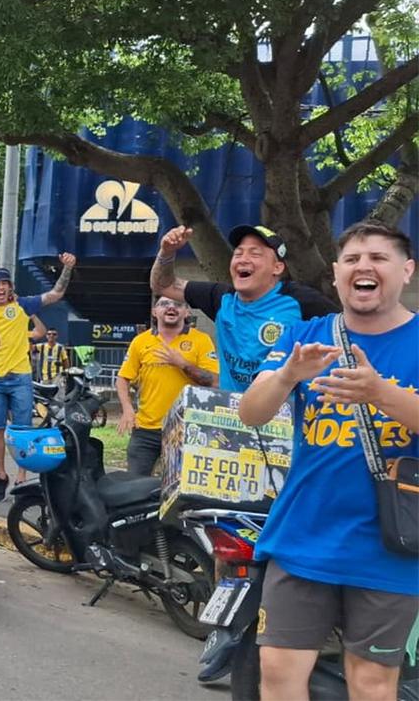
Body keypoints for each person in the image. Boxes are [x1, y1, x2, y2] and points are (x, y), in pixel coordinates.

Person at [238, 221, 419, 700]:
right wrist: (286, 376)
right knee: (276, 673)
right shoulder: (306, 335)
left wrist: (381, 394)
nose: (365, 267)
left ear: (406, 270)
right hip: (303, 536)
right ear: (337, 274)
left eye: (378, 258)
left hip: (391, 546)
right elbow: (251, 411)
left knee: (373, 683)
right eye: (354, 259)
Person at [151, 224, 338, 391]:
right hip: (231, 417)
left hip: (284, 420)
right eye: (238, 253)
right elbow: (163, 285)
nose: (243, 259)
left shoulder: (300, 301)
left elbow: (346, 333)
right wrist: (166, 252)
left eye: (255, 254)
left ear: (277, 268)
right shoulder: (221, 298)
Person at [0, 263, 76, 501]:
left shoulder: (22, 305)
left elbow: (55, 294)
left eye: (5, 284)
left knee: (22, 428)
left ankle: (21, 475)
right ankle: (1, 475)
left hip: (20, 378)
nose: (1, 288)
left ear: (11, 287)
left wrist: (66, 268)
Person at [116, 297, 219, 476]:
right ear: (154, 312)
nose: (171, 307)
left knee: (180, 490)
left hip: (186, 429)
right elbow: (123, 378)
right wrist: (127, 409)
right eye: (164, 304)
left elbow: (214, 381)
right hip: (146, 429)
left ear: (187, 312)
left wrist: (183, 364)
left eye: (178, 304)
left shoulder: (201, 340)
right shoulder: (140, 341)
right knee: (135, 485)